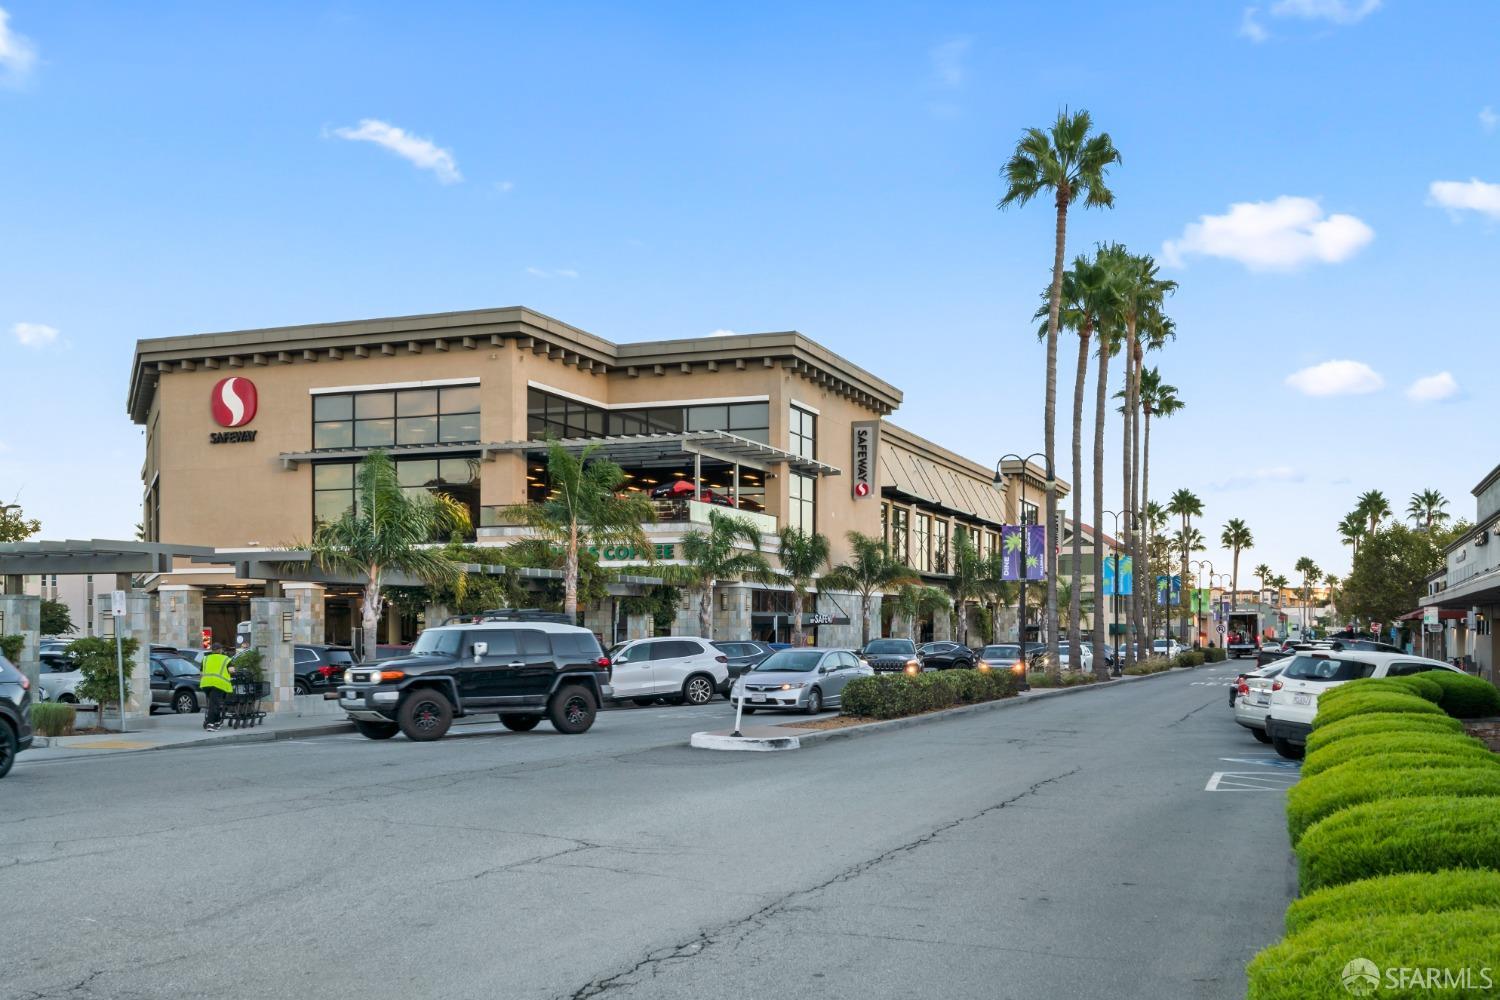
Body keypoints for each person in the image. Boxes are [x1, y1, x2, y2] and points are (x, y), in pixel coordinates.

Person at [200, 643, 233, 731]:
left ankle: (217, 721)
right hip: (218, 684)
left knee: (214, 702)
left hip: (206, 684)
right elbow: (231, 670)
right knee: (214, 704)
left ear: (212, 650)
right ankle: (210, 724)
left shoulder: (205, 658)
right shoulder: (225, 659)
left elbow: (201, 672)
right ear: (220, 650)